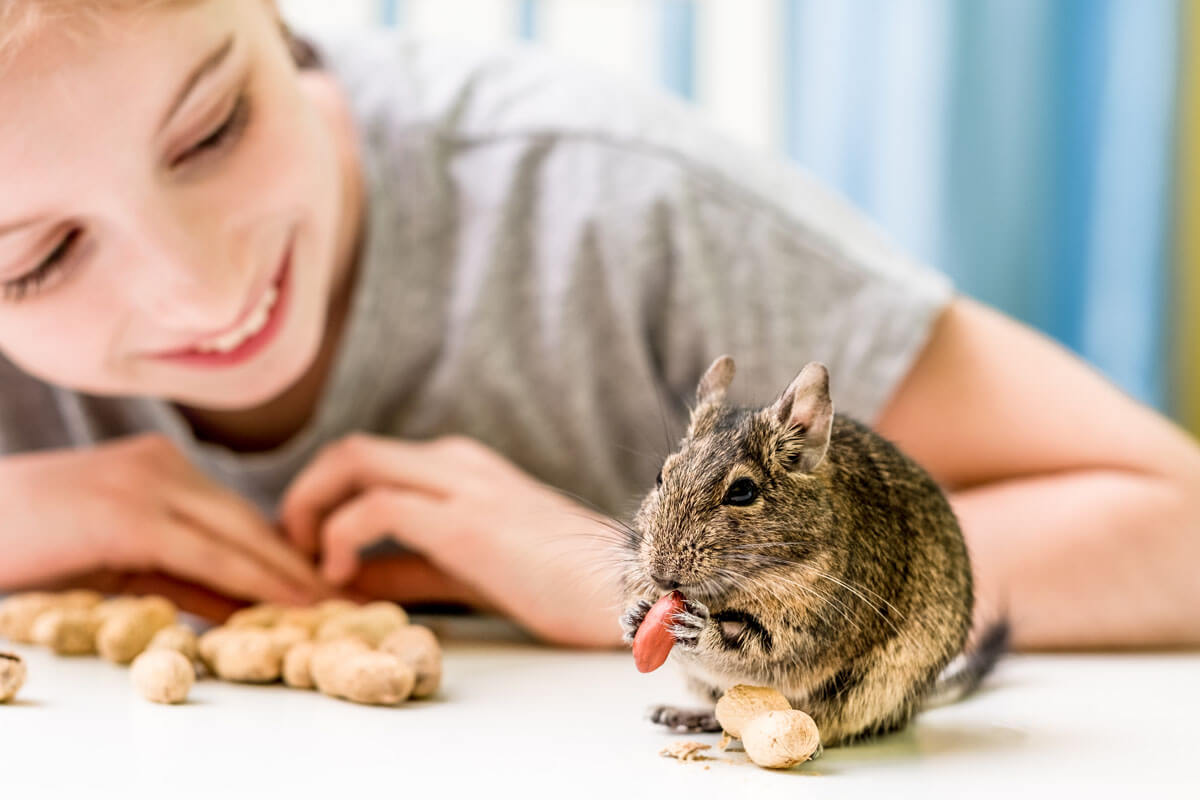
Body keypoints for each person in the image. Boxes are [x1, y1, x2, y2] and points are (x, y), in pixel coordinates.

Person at [1, 0, 1197, 651]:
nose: (202, 293)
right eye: (37, 259)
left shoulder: (613, 205)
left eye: (214, 129)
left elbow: (1176, 523)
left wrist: (649, 592)